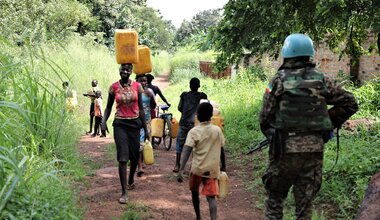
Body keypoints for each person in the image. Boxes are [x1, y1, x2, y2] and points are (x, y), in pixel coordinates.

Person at [259, 33, 358, 219]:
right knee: (304, 206)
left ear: (286, 54)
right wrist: (327, 124)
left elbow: (265, 118)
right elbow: (350, 103)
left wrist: (275, 136)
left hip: (283, 150)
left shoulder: (278, 80)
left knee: (275, 200)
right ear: (309, 55)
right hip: (313, 150)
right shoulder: (322, 79)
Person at [101, 63, 148, 204]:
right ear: (119, 70)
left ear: (132, 71)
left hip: (135, 125)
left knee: (134, 158)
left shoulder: (137, 87)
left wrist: (145, 129)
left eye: (128, 69)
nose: (125, 71)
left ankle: (131, 178)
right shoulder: (114, 87)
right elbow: (109, 107)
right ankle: (124, 192)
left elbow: (140, 108)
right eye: (123, 68)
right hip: (120, 124)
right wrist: (103, 122)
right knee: (123, 158)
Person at [177, 102, 226, 220]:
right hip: (212, 170)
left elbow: (187, 151)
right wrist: (224, 165)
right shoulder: (217, 130)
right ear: (211, 116)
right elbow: (221, 149)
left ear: (197, 116)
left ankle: (198, 216)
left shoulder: (194, 131)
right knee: (211, 197)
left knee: (194, 192)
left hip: (197, 169)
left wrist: (181, 169)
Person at [173, 77, 207, 173]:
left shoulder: (184, 95)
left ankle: (177, 165)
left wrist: (185, 112)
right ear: (199, 86)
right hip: (196, 124)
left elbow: (179, 107)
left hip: (184, 122)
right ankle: (193, 165)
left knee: (180, 144)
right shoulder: (203, 96)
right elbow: (205, 108)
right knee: (195, 145)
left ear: (189, 85)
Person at [135, 74, 156, 176]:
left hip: (147, 120)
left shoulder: (149, 91)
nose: (143, 83)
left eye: (145, 81)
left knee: (144, 142)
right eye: (141, 81)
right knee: (139, 143)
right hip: (136, 120)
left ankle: (141, 163)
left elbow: (154, 105)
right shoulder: (134, 91)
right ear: (136, 81)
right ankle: (139, 165)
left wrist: (151, 96)